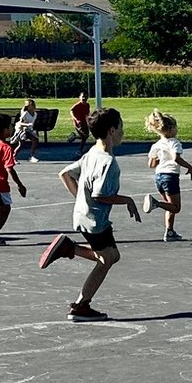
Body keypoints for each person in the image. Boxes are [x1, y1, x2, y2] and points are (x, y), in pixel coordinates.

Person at [39, 107, 142, 321]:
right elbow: (100, 195)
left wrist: (79, 199)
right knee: (106, 260)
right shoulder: (109, 162)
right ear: (112, 130)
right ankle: (81, 306)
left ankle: (70, 248)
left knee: (112, 256)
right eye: (121, 127)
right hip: (94, 220)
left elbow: (65, 174)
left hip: (84, 215)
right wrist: (128, 200)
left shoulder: (91, 153)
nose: (123, 131)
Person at [141, 109, 192, 241]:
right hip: (170, 177)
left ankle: (169, 231)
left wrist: (161, 158)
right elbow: (176, 158)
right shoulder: (174, 142)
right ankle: (156, 203)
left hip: (159, 177)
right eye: (176, 127)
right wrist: (189, 166)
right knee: (176, 208)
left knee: (169, 205)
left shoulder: (157, 145)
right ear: (171, 129)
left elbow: (151, 164)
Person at [10, 98, 42, 162]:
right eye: (30, 105)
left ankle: (32, 156)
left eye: (32, 105)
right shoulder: (25, 113)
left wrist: (30, 127)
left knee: (35, 140)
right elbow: (20, 123)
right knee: (21, 144)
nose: (32, 106)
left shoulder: (35, 114)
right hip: (21, 129)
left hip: (28, 130)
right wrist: (27, 124)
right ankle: (13, 157)